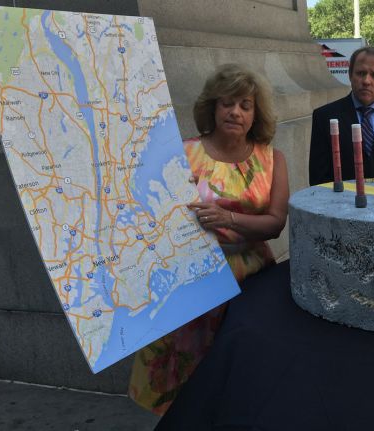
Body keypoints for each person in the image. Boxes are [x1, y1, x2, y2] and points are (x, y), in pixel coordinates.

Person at [128, 64, 289, 415]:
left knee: (239, 367)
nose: (235, 112)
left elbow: (276, 223)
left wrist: (229, 219)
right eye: (227, 103)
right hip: (189, 280)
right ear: (212, 108)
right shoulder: (182, 154)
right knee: (187, 369)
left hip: (250, 282)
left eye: (245, 105)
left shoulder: (272, 159)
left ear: (255, 113)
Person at [308, 46, 374, 186]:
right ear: (350, 75)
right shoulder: (324, 117)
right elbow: (318, 179)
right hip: (342, 203)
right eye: (360, 73)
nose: (366, 81)